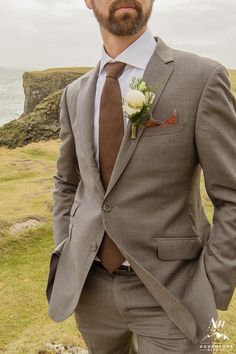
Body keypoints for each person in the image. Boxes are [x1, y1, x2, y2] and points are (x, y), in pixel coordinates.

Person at [46, 0, 236, 353]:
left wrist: (213, 283)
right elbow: (68, 183)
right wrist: (68, 251)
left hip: (174, 293)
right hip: (92, 293)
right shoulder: (75, 94)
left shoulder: (202, 78)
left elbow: (232, 194)